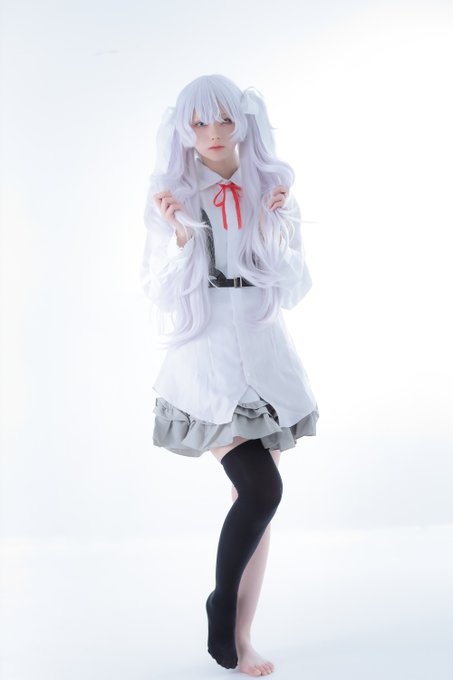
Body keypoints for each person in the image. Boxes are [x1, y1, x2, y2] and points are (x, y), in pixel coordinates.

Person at [140, 74, 319, 677]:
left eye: (223, 120)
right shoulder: (172, 194)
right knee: (262, 491)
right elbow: (158, 289)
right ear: (183, 129)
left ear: (243, 121)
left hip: (266, 358)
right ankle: (222, 609)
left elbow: (294, 287)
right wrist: (180, 235)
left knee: (256, 504)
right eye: (199, 124)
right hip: (207, 363)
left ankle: (241, 636)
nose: (213, 134)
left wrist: (277, 223)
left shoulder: (271, 188)